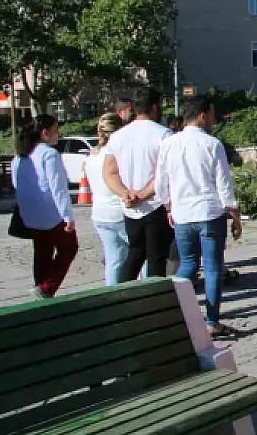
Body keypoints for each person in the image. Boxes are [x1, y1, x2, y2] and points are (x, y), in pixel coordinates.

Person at [155, 95, 243, 339]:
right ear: (203, 115)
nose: (214, 119)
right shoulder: (212, 143)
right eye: (212, 114)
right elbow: (223, 184)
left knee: (188, 264)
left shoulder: (168, 143)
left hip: (182, 213)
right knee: (213, 267)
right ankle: (212, 320)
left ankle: (166, 303)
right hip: (209, 212)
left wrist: (168, 207)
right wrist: (234, 214)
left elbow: (161, 181)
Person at [103, 87, 174, 281]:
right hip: (155, 205)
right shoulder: (164, 134)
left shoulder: (118, 136)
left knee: (135, 254)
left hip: (129, 208)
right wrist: (142, 194)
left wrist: (125, 194)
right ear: (154, 107)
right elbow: (164, 173)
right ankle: (153, 302)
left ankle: (124, 295)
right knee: (157, 258)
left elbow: (109, 171)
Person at [10, 115, 78, 299]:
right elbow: (58, 188)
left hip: (30, 214)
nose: (58, 134)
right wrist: (68, 216)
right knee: (69, 248)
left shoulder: (20, 156)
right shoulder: (49, 154)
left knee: (42, 252)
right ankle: (46, 287)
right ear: (45, 133)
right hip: (51, 213)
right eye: (56, 130)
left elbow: (16, 185)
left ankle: (40, 285)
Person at [82, 113, 127, 286]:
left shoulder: (91, 156)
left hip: (99, 213)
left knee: (113, 259)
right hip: (119, 210)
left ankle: (112, 293)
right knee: (140, 254)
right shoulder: (115, 155)